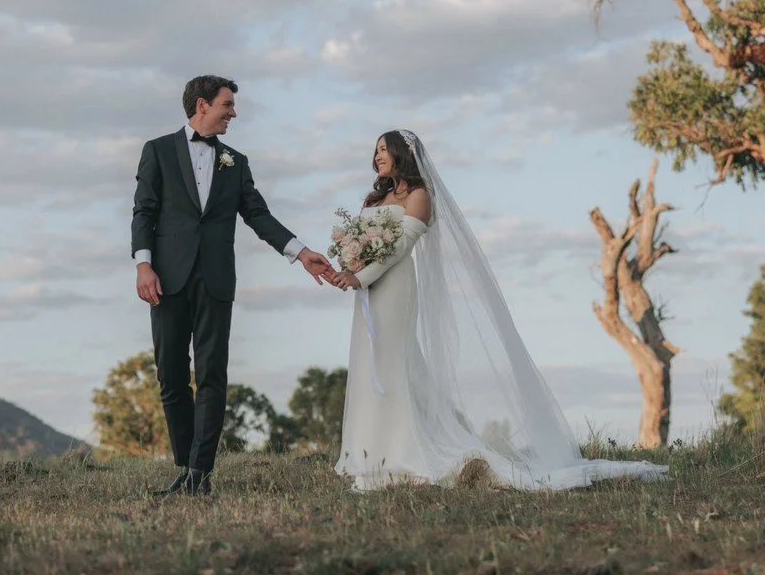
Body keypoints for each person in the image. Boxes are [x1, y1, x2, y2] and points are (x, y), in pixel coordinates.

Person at [329, 130, 669, 491]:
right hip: (367, 292)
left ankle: (400, 452)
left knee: (394, 364)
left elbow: (399, 248)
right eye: (376, 150)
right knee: (368, 361)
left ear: (402, 154)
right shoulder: (374, 199)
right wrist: (349, 267)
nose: (378, 155)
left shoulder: (419, 196)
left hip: (393, 288)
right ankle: (365, 450)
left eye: (385, 149)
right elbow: (363, 245)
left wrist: (358, 276)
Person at [131, 75, 334, 497]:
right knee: (170, 375)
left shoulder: (235, 162)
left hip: (216, 279)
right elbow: (143, 212)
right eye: (227, 105)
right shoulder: (158, 151)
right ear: (202, 105)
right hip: (166, 280)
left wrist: (299, 252)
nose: (233, 113)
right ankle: (186, 465)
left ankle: (200, 475)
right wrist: (143, 265)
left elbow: (257, 215)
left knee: (212, 376)